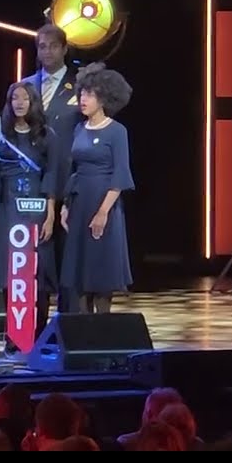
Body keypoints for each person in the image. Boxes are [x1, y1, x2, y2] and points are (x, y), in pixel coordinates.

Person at [0, 82, 62, 353]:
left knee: (37, 275)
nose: (19, 102)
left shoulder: (46, 135)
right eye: (13, 97)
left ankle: (39, 334)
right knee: (12, 273)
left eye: (24, 98)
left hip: (37, 209)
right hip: (7, 209)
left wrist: (50, 215)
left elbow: (52, 175)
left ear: (33, 102)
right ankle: (15, 334)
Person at [59, 62, 134, 313]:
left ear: (103, 98)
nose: (83, 99)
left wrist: (103, 212)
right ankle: (82, 333)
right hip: (80, 203)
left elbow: (120, 173)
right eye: (82, 93)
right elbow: (75, 169)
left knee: (102, 272)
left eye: (89, 94)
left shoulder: (117, 131)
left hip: (104, 204)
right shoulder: (79, 128)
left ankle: (102, 331)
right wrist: (66, 206)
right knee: (79, 273)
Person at [31, 24, 83, 312]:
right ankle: (33, 329)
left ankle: (69, 325)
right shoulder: (25, 87)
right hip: (34, 183)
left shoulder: (81, 86)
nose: (47, 51)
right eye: (42, 46)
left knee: (68, 260)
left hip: (69, 182)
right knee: (36, 260)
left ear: (64, 49)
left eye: (52, 45)